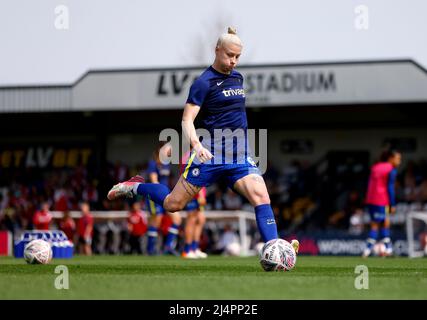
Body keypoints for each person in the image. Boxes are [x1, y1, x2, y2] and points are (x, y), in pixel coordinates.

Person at [107, 27, 299, 256]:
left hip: (239, 155)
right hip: (209, 155)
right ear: (217, 50)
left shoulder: (238, 77)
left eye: (238, 57)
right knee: (172, 205)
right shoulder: (203, 83)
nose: (234, 62)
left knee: (261, 196)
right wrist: (197, 146)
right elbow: (187, 120)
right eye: (230, 55)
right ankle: (135, 186)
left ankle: (274, 249)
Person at [362, 149, 401, 257]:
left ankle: (376, 250)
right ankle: (383, 250)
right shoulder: (391, 170)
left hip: (370, 200)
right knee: (382, 224)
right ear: (391, 158)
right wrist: (392, 204)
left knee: (379, 223)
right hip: (382, 200)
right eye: (398, 158)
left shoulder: (375, 167)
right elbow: (390, 188)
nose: (399, 161)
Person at [145, 143, 182, 255]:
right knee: (156, 221)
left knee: (177, 219)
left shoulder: (166, 164)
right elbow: (154, 181)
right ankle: (151, 250)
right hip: (155, 195)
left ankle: (168, 247)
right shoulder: (153, 163)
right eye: (168, 149)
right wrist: (160, 194)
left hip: (166, 195)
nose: (170, 152)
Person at [180, 149, 208, 259]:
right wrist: (200, 194)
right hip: (192, 190)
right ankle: (187, 250)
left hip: (200, 189)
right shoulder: (191, 154)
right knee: (191, 220)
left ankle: (195, 248)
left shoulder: (199, 152)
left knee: (200, 219)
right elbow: (195, 174)